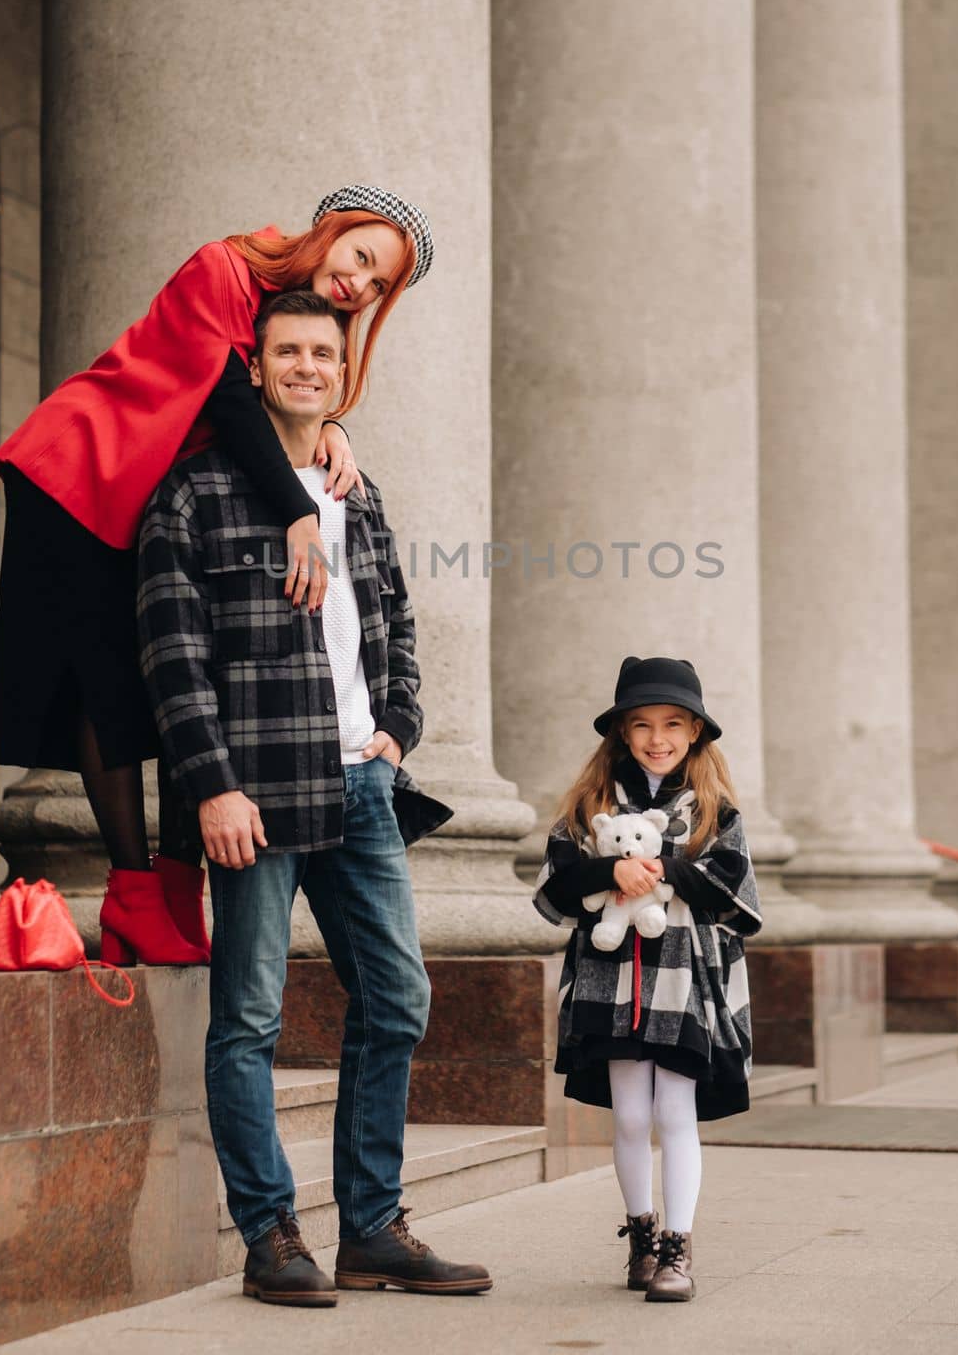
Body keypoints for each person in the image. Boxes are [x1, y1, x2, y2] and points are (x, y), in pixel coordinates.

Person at [136, 289, 492, 1306]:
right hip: (256, 792)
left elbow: (396, 622)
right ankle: (270, 1234)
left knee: (397, 997)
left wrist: (398, 728)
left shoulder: (353, 488)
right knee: (248, 1015)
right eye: (285, 351)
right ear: (252, 366)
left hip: (361, 786)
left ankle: (372, 1226)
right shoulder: (196, 493)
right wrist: (211, 785)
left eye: (321, 354)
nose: (304, 366)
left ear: (342, 370)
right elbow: (172, 655)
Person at [0, 184, 431, 965]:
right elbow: (231, 394)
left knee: (175, 687)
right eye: (360, 259)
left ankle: (167, 889)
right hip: (79, 472)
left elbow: (277, 388)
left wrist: (333, 429)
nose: (357, 286)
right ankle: (133, 892)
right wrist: (298, 505)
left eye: (376, 286)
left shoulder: (286, 317)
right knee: (109, 684)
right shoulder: (224, 266)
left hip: (141, 492)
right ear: (330, 231)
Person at [532, 656, 760, 1302]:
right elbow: (554, 891)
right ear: (621, 734)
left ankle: (676, 1251)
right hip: (608, 981)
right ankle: (639, 1235)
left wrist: (660, 869)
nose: (655, 738)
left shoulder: (715, 812)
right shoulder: (591, 808)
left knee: (673, 1110)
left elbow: (735, 900)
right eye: (641, 724)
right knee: (630, 1117)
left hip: (684, 982)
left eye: (670, 724)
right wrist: (609, 873)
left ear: (693, 732)